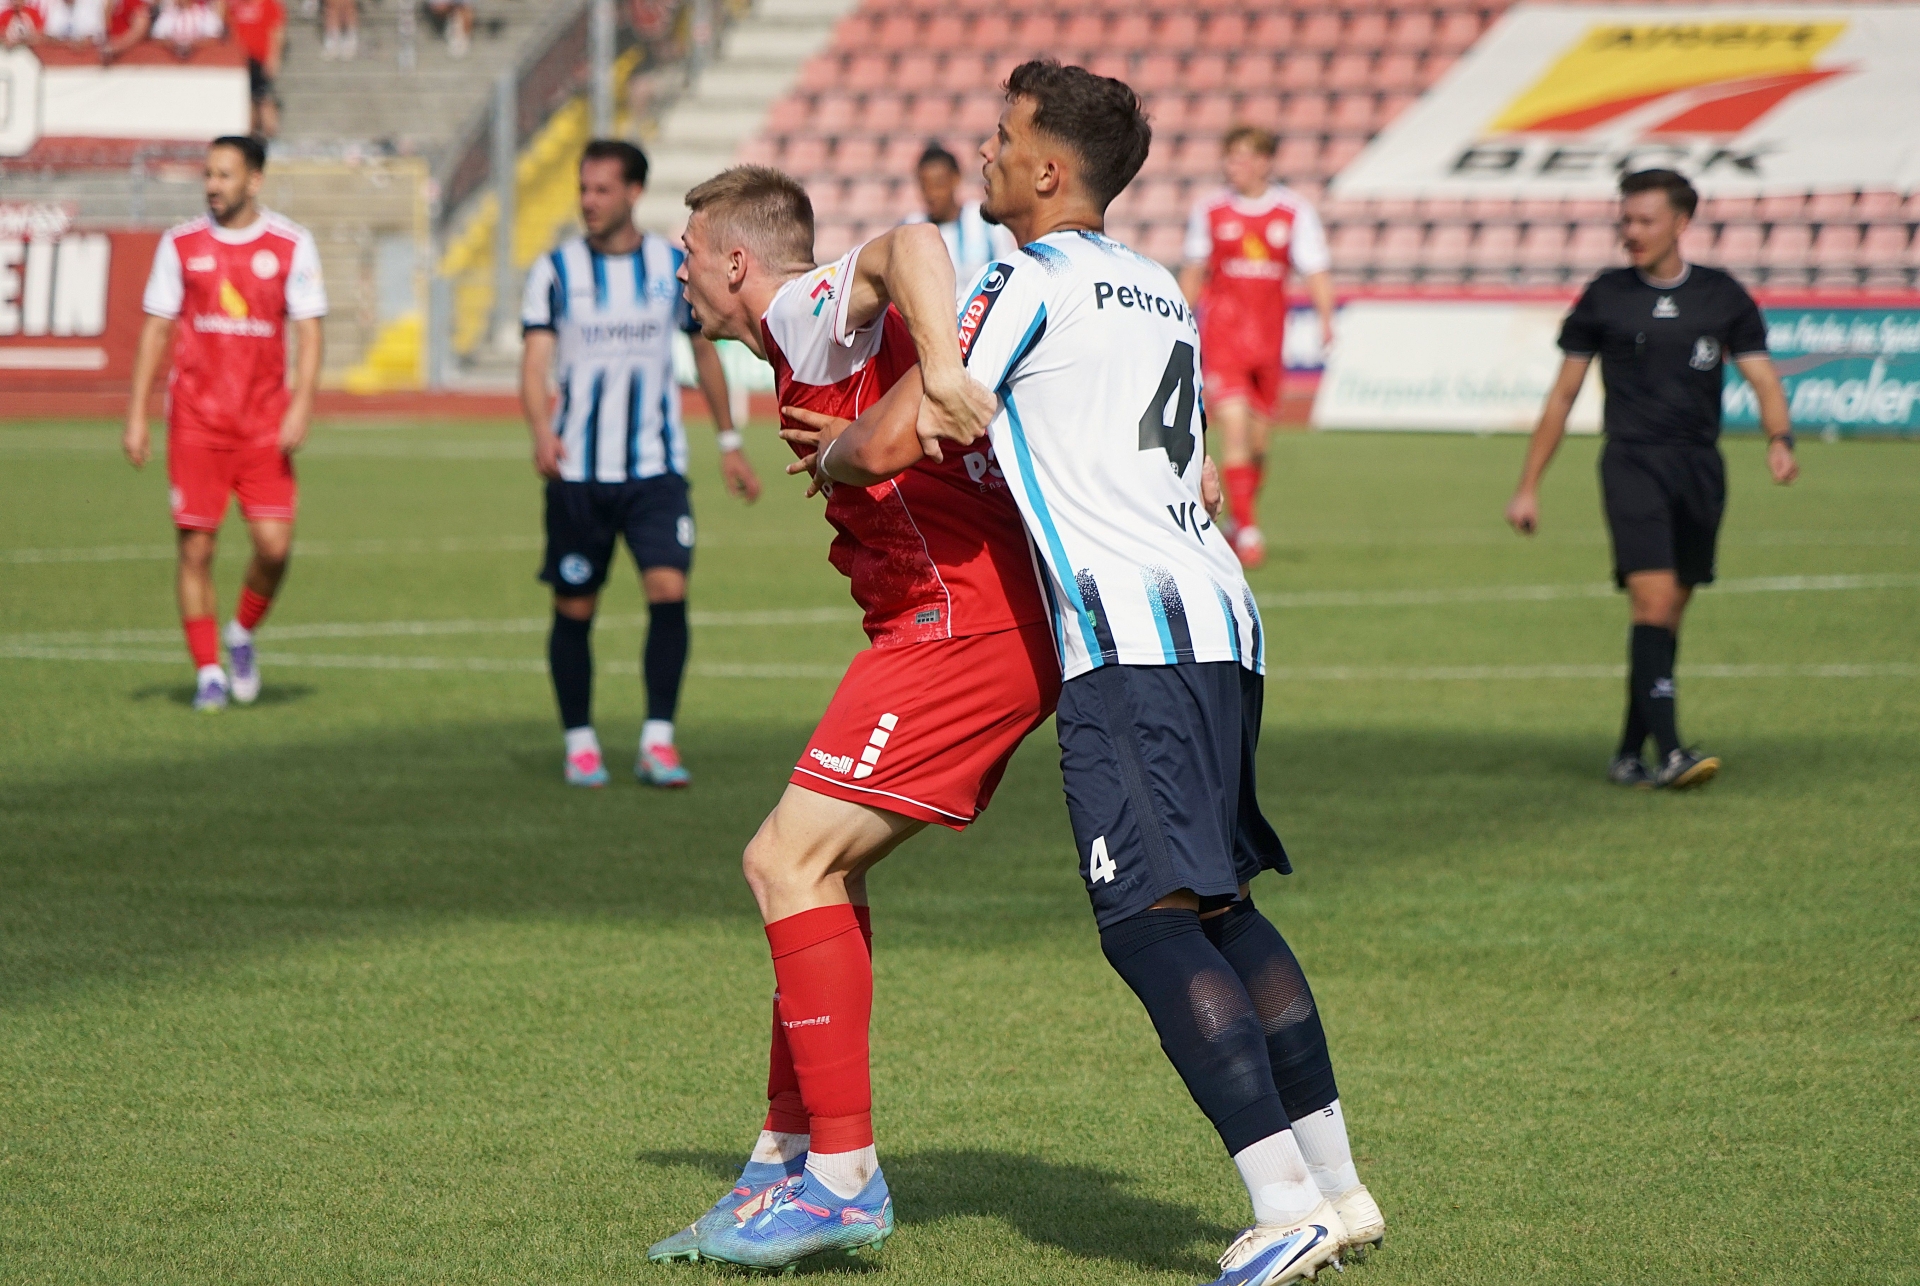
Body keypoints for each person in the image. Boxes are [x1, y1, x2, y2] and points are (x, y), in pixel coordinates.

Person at [787, 61, 1386, 1286]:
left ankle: (1283, 1203)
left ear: (1049, 170)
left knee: (1148, 925)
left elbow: (916, 425)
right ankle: (1338, 1186)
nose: (987, 154)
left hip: (1127, 640)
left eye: (1003, 138)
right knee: (1222, 908)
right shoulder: (1160, 287)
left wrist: (836, 450)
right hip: (1221, 619)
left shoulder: (1028, 278)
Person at [646, 166, 1056, 1270]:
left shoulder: (800, 312)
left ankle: (840, 1179)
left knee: (785, 860)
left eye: (689, 251)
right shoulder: (800, 341)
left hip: (958, 625)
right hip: (943, 625)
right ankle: (786, 1155)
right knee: (820, 869)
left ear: (737, 261)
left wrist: (946, 372)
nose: (679, 270)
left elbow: (912, 239)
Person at [1506, 169, 1797, 790]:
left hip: (1699, 468)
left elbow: (1763, 378)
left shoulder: (1722, 295)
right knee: (1654, 602)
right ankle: (1671, 753)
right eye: (1626, 221)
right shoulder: (1605, 295)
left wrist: (1780, 440)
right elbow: (1562, 398)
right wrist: (1529, 485)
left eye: (1645, 221)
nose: (1631, 232)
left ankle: (1626, 754)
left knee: (1667, 617)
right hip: (1632, 463)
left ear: (1681, 223)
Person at [519, 140, 757, 789]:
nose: (588, 201)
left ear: (632, 192)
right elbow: (536, 361)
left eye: (601, 189)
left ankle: (658, 740)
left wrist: (729, 441)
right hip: (577, 473)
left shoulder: (669, 267)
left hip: (655, 470)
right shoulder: (555, 270)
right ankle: (580, 742)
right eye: (583, 188)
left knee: (668, 591)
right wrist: (541, 430)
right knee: (574, 606)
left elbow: (703, 352)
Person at [123, 134, 326, 712]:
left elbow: (310, 332)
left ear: (254, 180)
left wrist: (301, 405)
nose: (212, 185)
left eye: (225, 175)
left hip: (263, 425)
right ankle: (208, 672)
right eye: (208, 174)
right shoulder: (180, 244)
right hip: (196, 424)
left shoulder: (291, 244)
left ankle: (241, 633)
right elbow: (156, 329)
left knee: (274, 547)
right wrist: (136, 414)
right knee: (196, 551)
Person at [1178, 126, 1335, 569]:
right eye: (1230, 158)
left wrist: (1326, 319)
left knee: (1260, 443)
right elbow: (1194, 270)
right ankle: (1248, 533)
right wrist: (1179, 317)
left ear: (1266, 161)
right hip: (1223, 339)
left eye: (1243, 157)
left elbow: (1316, 269)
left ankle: (1239, 519)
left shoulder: (1293, 212)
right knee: (1234, 429)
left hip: (1268, 343)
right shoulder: (1211, 210)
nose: (1234, 166)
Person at [901, 141, 1016, 286]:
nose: (931, 194)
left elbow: (1008, 273)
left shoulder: (984, 221)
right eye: (925, 186)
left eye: (938, 184)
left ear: (955, 179)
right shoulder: (910, 228)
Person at [226, 0, 285, 138]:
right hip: (240, 60)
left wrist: (273, 58)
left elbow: (277, 32)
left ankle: (270, 135)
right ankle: (250, 137)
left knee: (264, 98)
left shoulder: (268, 5)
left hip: (260, 59)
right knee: (247, 100)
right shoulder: (235, 5)